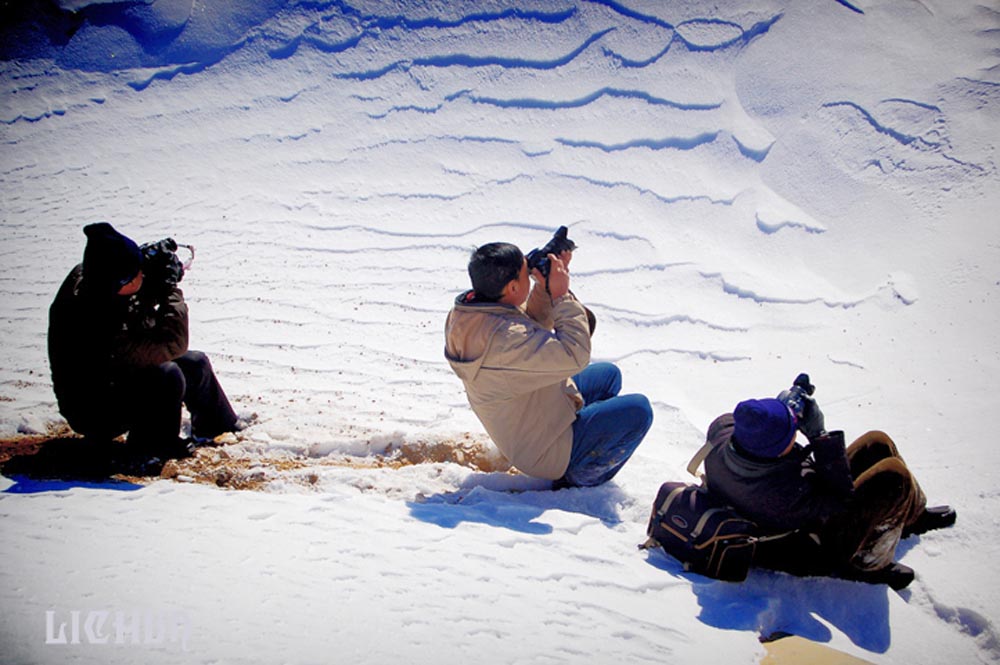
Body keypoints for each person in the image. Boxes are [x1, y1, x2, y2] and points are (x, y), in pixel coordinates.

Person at [701, 379, 956, 589]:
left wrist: (777, 415)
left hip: (773, 503)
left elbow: (748, 421)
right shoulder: (785, 492)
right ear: (776, 452)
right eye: (791, 435)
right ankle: (866, 562)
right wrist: (818, 435)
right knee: (893, 478)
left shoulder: (723, 435)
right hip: (808, 542)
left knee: (876, 443)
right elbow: (841, 499)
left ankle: (912, 515)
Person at [444, 240, 653, 488]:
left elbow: (528, 326)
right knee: (639, 411)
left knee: (609, 376)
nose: (530, 275)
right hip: (543, 451)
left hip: (532, 414)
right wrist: (561, 295)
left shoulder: (472, 314)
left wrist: (544, 289)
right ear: (512, 287)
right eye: (526, 273)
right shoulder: (504, 341)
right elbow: (575, 354)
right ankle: (576, 477)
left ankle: (587, 435)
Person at [48, 222, 241, 461]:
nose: (143, 273)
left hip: (113, 379)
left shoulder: (96, 278)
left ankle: (218, 427)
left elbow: (120, 284)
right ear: (122, 283)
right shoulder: (94, 323)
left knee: (195, 363)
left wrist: (145, 259)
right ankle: (151, 450)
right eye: (138, 272)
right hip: (93, 410)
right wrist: (169, 289)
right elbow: (171, 343)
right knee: (167, 375)